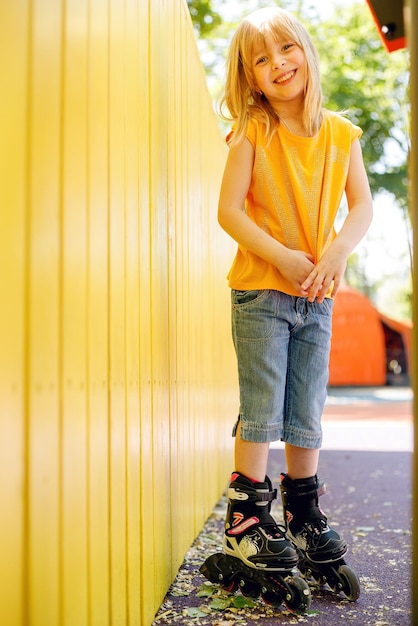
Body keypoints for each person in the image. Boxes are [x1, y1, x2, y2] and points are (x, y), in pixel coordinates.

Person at [217, 7, 373, 582]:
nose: (278, 64)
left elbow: (362, 206)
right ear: (249, 76)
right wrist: (282, 255)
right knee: (263, 406)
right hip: (262, 291)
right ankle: (245, 520)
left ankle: (303, 512)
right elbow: (228, 211)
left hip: (319, 294)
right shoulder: (254, 132)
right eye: (262, 58)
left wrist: (337, 251)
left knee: (306, 410)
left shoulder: (341, 132)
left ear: (305, 51)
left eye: (287, 49)